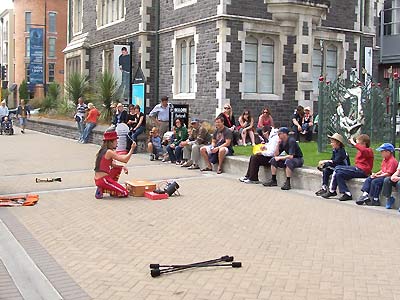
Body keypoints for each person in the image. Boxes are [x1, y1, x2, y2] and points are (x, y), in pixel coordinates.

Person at [322, 134, 374, 201]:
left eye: (358, 143)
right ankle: (346, 193)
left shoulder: (368, 150)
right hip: (358, 169)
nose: (357, 145)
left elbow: (363, 150)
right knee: (339, 174)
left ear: (364, 143)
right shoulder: (361, 151)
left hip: (362, 170)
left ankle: (332, 190)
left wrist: (353, 143)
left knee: (337, 168)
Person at [94, 130, 136, 199]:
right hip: (103, 180)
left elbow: (113, 165)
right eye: (116, 141)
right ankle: (103, 189)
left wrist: (122, 167)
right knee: (124, 193)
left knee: (118, 168)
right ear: (111, 142)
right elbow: (125, 160)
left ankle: (108, 188)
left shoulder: (103, 150)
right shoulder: (109, 152)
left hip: (100, 179)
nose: (117, 143)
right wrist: (132, 149)